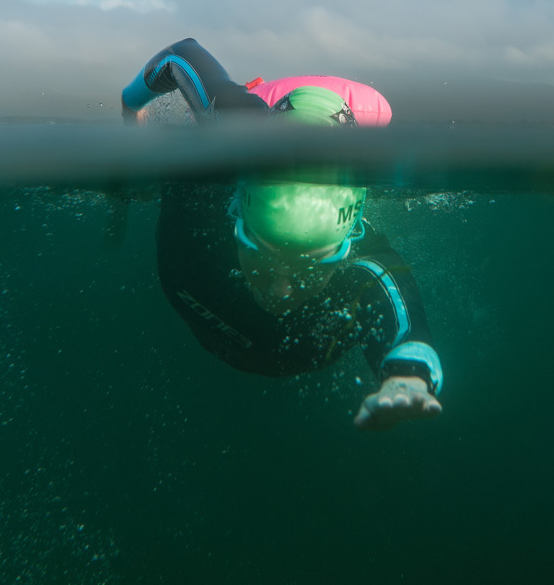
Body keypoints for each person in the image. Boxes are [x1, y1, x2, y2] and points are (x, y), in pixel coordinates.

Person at [121, 38, 443, 430]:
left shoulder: (364, 263)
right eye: (261, 252)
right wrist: (129, 114)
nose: (280, 290)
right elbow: (181, 55)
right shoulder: (216, 160)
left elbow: (407, 332)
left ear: (348, 240)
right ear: (238, 207)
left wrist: (407, 378)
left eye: (309, 265)